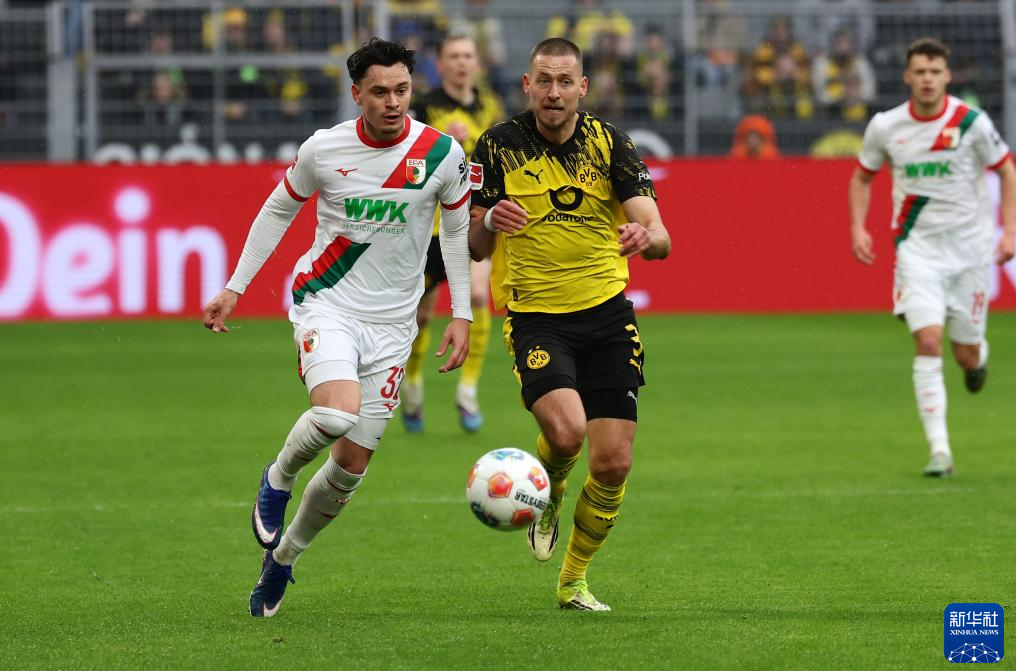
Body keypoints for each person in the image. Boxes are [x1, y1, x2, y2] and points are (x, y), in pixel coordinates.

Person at [202, 37, 474, 618]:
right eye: (379, 92)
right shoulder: (324, 149)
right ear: (357, 94)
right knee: (335, 414)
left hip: (394, 326)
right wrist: (235, 287)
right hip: (327, 303)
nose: (393, 102)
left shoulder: (442, 154)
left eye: (402, 90)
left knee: (350, 467)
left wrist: (461, 311)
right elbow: (278, 209)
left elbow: (455, 233)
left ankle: (283, 561)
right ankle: (277, 479)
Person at [467, 37, 671, 610]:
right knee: (566, 434)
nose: (554, 92)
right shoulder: (498, 146)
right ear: (527, 85)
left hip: (607, 314)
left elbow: (662, 238)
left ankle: (573, 580)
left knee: (614, 463)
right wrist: (492, 221)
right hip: (537, 317)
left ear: (582, 87)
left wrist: (645, 235)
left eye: (564, 81)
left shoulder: (611, 144)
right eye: (544, 80)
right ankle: (551, 487)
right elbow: (475, 245)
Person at [848, 37, 1016, 478]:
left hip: (969, 254)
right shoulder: (886, 126)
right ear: (908, 76)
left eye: (935, 72)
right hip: (917, 252)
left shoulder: (971, 122)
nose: (927, 79)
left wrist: (1009, 231)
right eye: (920, 72)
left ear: (947, 76)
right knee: (927, 341)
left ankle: (978, 358)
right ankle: (940, 451)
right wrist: (858, 227)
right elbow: (862, 177)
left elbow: (1005, 170)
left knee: (965, 355)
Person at [401, 34, 505, 433]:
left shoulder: (491, 105)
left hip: (475, 220)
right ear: (441, 64)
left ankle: (467, 391)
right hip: (431, 227)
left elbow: (499, 158)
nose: (462, 63)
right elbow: (407, 164)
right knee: (421, 315)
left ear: (476, 63)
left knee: (478, 297)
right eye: (454, 56)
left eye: (468, 56)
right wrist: (445, 148)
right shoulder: (425, 107)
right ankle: (412, 384)